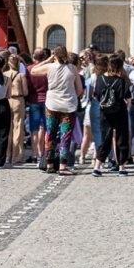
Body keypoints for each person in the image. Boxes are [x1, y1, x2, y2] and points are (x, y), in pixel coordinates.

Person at [31, 46, 82, 176]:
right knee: (66, 135)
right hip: (69, 105)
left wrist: (47, 60)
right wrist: (72, 97)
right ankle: (63, 165)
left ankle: (49, 164)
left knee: (51, 134)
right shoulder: (73, 68)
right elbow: (80, 89)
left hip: (52, 104)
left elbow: (33, 71)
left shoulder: (50, 67)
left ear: (55, 55)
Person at [91, 54, 132, 177]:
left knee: (105, 138)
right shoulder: (122, 79)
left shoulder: (100, 78)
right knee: (121, 138)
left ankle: (97, 166)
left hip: (105, 112)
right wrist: (127, 107)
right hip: (120, 111)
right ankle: (121, 167)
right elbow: (128, 97)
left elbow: (96, 95)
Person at [26, 48, 49, 168]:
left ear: (34, 57)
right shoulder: (47, 68)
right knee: (45, 127)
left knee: (34, 128)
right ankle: (44, 153)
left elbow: (27, 84)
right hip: (46, 99)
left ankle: (35, 154)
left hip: (33, 100)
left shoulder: (29, 69)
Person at [5, 54, 28, 164]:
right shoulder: (21, 75)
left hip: (7, 100)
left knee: (7, 128)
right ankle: (17, 156)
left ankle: (7, 155)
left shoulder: (4, 75)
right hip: (18, 100)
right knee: (18, 128)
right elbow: (25, 92)